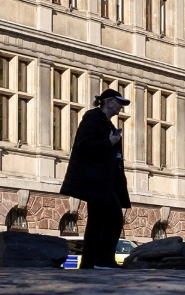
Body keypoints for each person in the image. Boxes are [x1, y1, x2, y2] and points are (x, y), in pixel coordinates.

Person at [60, 89, 131, 269]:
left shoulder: (108, 125)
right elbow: (83, 144)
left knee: (97, 221)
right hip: (95, 180)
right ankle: (102, 260)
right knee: (113, 217)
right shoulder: (93, 118)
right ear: (108, 102)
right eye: (118, 102)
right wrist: (109, 143)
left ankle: (90, 263)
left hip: (106, 181)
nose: (121, 107)